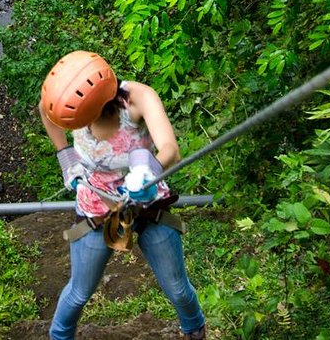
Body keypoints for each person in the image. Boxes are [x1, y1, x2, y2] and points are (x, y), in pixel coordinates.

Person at [39, 50, 206, 340]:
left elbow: (170, 149)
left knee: (177, 288)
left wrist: (146, 173)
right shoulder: (68, 105)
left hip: (147, 201)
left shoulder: (137, 99)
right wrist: (66, 156)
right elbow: (45, 109)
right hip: (97, 207)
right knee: (79, 292)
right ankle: (59, 337)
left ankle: (195, 330)